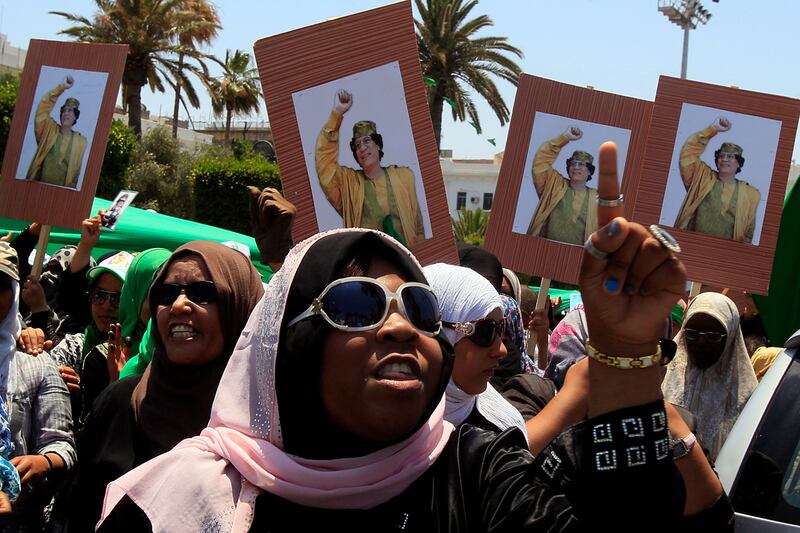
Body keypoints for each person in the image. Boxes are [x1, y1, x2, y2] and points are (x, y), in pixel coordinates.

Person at [98, 194, 731, 532]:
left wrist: (624, 364)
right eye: (356, 301)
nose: (401, 324)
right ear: (290, 348)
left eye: (422, 308)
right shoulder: (183, 496)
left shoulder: (476, 474)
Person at [67, 241, 264, 533]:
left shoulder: (264, 426)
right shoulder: (120, 404)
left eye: (202, 293)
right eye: (165, 294)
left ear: (238, 307)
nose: (179, 305)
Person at [0, 242, 75, 530]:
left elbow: (61, 442)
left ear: (15, 294)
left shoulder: (36, 363)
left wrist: (45, 461)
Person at [423, 263, 528, 438]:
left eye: (501, 329)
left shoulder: (502, 434)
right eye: (486, 331)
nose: (501, 350)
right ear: (438, 332)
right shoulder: (375, 421)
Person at [315, 89, 425, 246]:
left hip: (404, 261)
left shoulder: (404, 176)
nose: (362, 148)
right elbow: (324, 164)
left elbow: (418, 227)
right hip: (366, 266)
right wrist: (336, 114)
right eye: (357, 145)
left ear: (378, 145)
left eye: (367, 141)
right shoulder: (349, 184)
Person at [662, 292, 758, 461]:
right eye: (692, 333)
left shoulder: (748, 400)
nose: (700, 342)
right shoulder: (660, 378)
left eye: (713, 336)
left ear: (731, 338)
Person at [673, 117, 761, 243]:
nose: (724, 159)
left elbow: (747, 234)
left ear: (739, 164)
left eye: (730, 157)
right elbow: (688, 154)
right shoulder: (702, 177)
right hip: (690, 246)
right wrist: (713, 129)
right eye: (721, 156)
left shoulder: (751, 194)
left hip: (724, 256)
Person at [526, 126, 598, 245]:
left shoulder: (597, 198)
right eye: (573, 164)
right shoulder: (554, 184)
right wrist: (565, 138)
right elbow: (541, 161)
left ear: (590, 171)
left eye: (581, 164)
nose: (576, 167)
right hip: (540, 250)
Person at [25, 76, 87, 189]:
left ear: (75, 117)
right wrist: (61, 88)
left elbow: (76, 173)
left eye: (70, 111)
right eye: (64, 110)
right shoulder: (49, 130)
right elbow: (42, 110)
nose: (66, 113)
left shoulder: (81, 142)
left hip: (60, 196)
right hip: (35, 188)